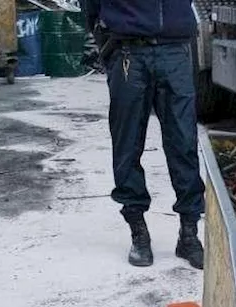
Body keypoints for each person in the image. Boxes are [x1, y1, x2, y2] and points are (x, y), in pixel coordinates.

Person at [84, 0, 206, 270]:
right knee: (127, 145)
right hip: (128, 51)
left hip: (175, 51)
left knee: (184, 143)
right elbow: (90, 6)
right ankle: (138, 232)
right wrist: (107, 37)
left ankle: (189, 234)